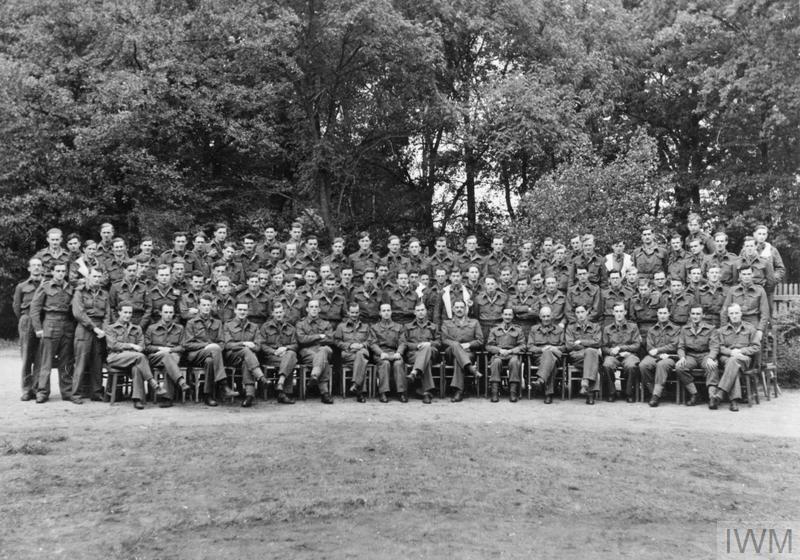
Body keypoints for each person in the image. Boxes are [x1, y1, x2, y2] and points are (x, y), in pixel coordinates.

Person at [105, 303, 167, 409]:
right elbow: (113, 345)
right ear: (119, 312)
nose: (128, 315)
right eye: (125, 312)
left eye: (130, 313)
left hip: (133, 359)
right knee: (140, 357)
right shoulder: (111, 328)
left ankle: (137, 399)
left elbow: (141, 346)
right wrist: (131, 346)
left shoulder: (137, 329)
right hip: (116, 357)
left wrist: (134, 349)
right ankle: (152, 382)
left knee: (137, 368)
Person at [29, 262, 74, 403]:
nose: (61, 273)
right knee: (46, 361)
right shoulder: (45, 286)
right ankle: (42, 392)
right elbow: (35, 309)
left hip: (67, 325)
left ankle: (67, 392)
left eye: (63, 271)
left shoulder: (70, 287)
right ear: (53, 272)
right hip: (50, 324)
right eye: (58, 271)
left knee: (66, 362)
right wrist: (38, 328)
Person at [181, 296, 238, 406]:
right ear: (198, 307)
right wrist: (207, 346)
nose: (206, 308)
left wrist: (215, 348)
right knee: (214, 350)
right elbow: (187, 344)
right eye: (204, 305)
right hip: (195, 355)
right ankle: (224, 385)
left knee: (210, 361)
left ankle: (207, 395)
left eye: (208, 305)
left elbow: (222, 343)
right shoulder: (191, 323)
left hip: (212, 356)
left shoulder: (217, 323)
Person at [70, 267, 110, 404]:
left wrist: (103, 329)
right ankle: (76, 394)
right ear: (88, 277)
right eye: (94, 276)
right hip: (84, 329)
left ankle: (97, 393)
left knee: (97, 363)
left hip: (100, 330)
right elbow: (78, 313)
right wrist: (94, 328)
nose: (97, 279)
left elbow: (107, 314)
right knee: (81, 362)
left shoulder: (104, 294)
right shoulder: (79, 292)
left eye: (99, 276)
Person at [710, 303, 760, 412]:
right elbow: (720, 347)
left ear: (741, 314)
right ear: (728, 315)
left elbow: (756, 347)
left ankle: (720, 393)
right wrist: (731, 352)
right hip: (727, 357)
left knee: (733, 363)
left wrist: (741, 351)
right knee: (733, 364)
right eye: (731, 313)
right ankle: (733, 401)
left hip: (744, 358)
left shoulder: (750, 329)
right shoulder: (722, 331)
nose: (734, 315)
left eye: (736, 313)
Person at [144, 303, 190, 408]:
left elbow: (183, 347)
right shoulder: (152, 328)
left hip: (173, 355)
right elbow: (146, 347)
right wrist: (160, 349)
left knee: (170, 358)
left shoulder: (180, 328)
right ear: (160, 313)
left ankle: (167, 397)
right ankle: (180, 381)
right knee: (170, 358)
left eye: (170, 312)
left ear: (173, 313)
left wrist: (169, 350)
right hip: (156, 357)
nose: (168, 315)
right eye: (165, 312)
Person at [224, 302, 268, 408]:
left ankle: (249, 396)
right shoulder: (228, 325)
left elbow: (258, 346)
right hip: (232, 356)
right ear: (235, 310)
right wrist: (243, 344)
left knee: (246, 360)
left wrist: (253, 346)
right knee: (246, 351)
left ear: (248, 312)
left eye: (244, 310)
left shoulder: (254, 327)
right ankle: (261, 376)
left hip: (248, 359)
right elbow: (227, 345)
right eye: (240, 309)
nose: (242, 312)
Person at [13, 258, 44, 401]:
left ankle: (37, 389)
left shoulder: (47, 285)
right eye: (34, 266)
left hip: (43, 322)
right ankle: (26, 389)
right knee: (26, 357)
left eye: (39, 265)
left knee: (40, 357)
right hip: (26, 321)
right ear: (29, 268)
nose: (37, 268)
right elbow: (16, 307)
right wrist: (26, 320)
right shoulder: (22, 286)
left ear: (42, 268)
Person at [440, 300, 484, 402]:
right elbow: (444, 340)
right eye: (457, 307)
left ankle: (458, 391)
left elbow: (480, 340)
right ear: (453, 309)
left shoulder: (474, 322)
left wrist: (468, 344)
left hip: (468, 353)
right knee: (455, 345)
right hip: (450, 352)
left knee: (458, 360)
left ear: (465, 309)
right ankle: (471, 368)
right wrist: (458, 346)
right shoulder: (447, 323)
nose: (459, 309)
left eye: (461, 307)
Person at [674, 306, 718, 407]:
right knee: (680, 367)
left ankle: (712, 397)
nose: (695, 316)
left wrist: (711, 358)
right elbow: (681, 346)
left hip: (705, 354)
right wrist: (682, 357)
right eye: (693, 314)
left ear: (703, 315)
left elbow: (714, 346)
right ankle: (694, 394)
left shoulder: (711, 329)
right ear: (690, 315)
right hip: (691, 355)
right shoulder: (684, 329)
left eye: (698, 314)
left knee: (711, 365)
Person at [256, 303, 298, 404]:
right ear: (272, 313)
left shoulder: (290, 328)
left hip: (285, 354)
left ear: (284, 313)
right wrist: (274, 352)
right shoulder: (265, 327)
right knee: (290, 359)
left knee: (291, 355)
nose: (279, 314)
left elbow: (295, 344)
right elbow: (262, 345)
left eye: (280, 312)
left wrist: (285, 348)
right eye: (276, 312)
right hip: (271, 357)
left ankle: (281, 384)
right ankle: (283, 392)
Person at [295, 299, 335, 404]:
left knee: (324, 350)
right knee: (323, 360)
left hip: (323, 349)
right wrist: (318, 336)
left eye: (316, 307)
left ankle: (315, 375)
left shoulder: (326, 323)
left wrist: (310, 338)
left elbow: (330, 339)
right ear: (307, 309)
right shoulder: (301, 324)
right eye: (311, 307)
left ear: (319, 309)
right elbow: (301, 340)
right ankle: (325, 393)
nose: (314, 309)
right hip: (307, 351)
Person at [639, 306, 680, 407]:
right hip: (654, 356)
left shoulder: (676, 329)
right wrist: (657, 353)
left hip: (669, 356)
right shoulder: (652, 330)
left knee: (662, 365)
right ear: (657, 314)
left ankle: (655, 396)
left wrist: (659, 351)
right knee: (643, 365)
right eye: (660, 313)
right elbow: (649, 346)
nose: (662, 316)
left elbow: (674, 345)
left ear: (669, 314)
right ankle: (653, 390)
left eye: (665, 313)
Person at [601, 302, 642, 403]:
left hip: (629, 355)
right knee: (607, 365)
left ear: (625, 312)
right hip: (613, 356)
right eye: (616, 311)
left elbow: (637, 345)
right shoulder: (607, 329)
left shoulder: (633, 327)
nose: (619, 314)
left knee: (632, 365)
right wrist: (612, 352)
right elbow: (604, 347)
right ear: (613, 313)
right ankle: (612, 392)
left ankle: (628, 393)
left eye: (621, 311)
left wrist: (621, 349)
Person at [401, 302, 441, 404]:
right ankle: (426, 393)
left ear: (426, 311)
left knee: (427, 348)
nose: (420, 312)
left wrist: (429, 343)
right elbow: (403, 343)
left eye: (422, 310)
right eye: (418, 310)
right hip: (414, 354)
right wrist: (416, 346)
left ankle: (414, 372)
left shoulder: (434, 327)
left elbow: (439, 342)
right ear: (415, 312)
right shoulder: (407, 326)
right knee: (425, 361)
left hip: (431, 353)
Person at [485, 308, 525, 403]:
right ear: (502, 315)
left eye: (510, 315)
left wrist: (511, 351)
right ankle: (494, 392)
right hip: (498, 355)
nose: (507, 317)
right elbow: (488, 346)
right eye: (506, 314)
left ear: (513, 316)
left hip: (512, 354)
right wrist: (499, 350)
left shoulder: (518, 330)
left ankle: (513, 392)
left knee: (515, 362)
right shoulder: (494, 329)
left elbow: (523, 345)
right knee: (496, 362)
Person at [527, 305, 565, 404]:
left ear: (552, 316)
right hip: (539, 357)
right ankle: (548, 394)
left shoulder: (559, 330)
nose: (546, 319)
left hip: (556, 356)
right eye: (543, 316)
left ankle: (541, 380)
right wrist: (542, 350)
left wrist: (554, 348)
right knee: (550, 361)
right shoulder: (534, 329)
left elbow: (565, 346)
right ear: (540, 316)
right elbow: (530, 346)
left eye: (548, 316)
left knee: (550, 356)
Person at [336, 303, 374, 402]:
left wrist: (362, 345)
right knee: (361, 361)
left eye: (356, 312)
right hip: (348, 354)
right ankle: (359, 391)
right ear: (348, 313)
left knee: (360, 354)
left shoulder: (365, 326)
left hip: (362, 351)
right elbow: (337, 341)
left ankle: (357, 385)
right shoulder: (341, 326)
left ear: (359, 313)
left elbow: (370, 340)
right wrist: (349, 345)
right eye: (352, 312)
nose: (354, 315)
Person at [564, 305, 602, 404]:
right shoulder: (570, 327)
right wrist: (588, 346)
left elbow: (598, 342)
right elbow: (569, 345)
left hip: (589, 356)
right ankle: (590, 394)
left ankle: (586, 381)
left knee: (590, 353)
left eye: (582, 312)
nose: (580, 315)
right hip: (577, 357)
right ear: (575, 314)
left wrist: (581, 341)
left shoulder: (595, 326)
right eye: (578, 312)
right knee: (592, 353)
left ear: (587, 312)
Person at [109, 260, 148, 324]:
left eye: (134, 271)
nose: (132, 273)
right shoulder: (116, 286)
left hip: (138, 321)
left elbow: (148, 308)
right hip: (121, 320)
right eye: (129, 271)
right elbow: (111, 307)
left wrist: (142, 325)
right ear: (124, 270)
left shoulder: (143, 286)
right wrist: (117, 323)